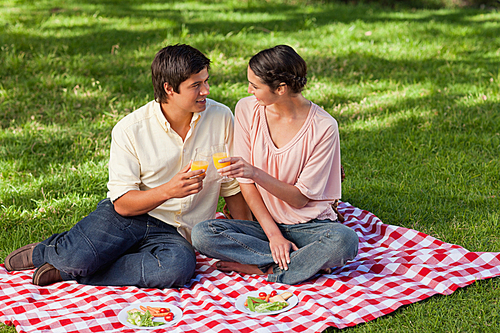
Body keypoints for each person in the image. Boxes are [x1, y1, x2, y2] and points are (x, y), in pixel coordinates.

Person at [4, 44, 251, 289]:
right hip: (130, 217)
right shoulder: (130, 129)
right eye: (196, 85)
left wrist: (247, 245)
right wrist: (168, 191)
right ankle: (47, 252)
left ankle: (73, 273)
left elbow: (231, 186)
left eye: (206, 81)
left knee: (175, 269)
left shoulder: (221, 117)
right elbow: (122, 204)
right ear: (169, 89)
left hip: (176, 236)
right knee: (74, 256)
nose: (206, 90)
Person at [192, 45, 359, 285]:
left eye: (255, 86)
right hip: (263, 226)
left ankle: (266, 269)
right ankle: (301, 263)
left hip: (309, 227)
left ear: (280, 89)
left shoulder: (323, 127)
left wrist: (255, 172)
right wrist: (273, 236)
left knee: (345, 241)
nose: (249, 90)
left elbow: (299, 199)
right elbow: (246, 184)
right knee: (203, 234)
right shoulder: (247, 109)